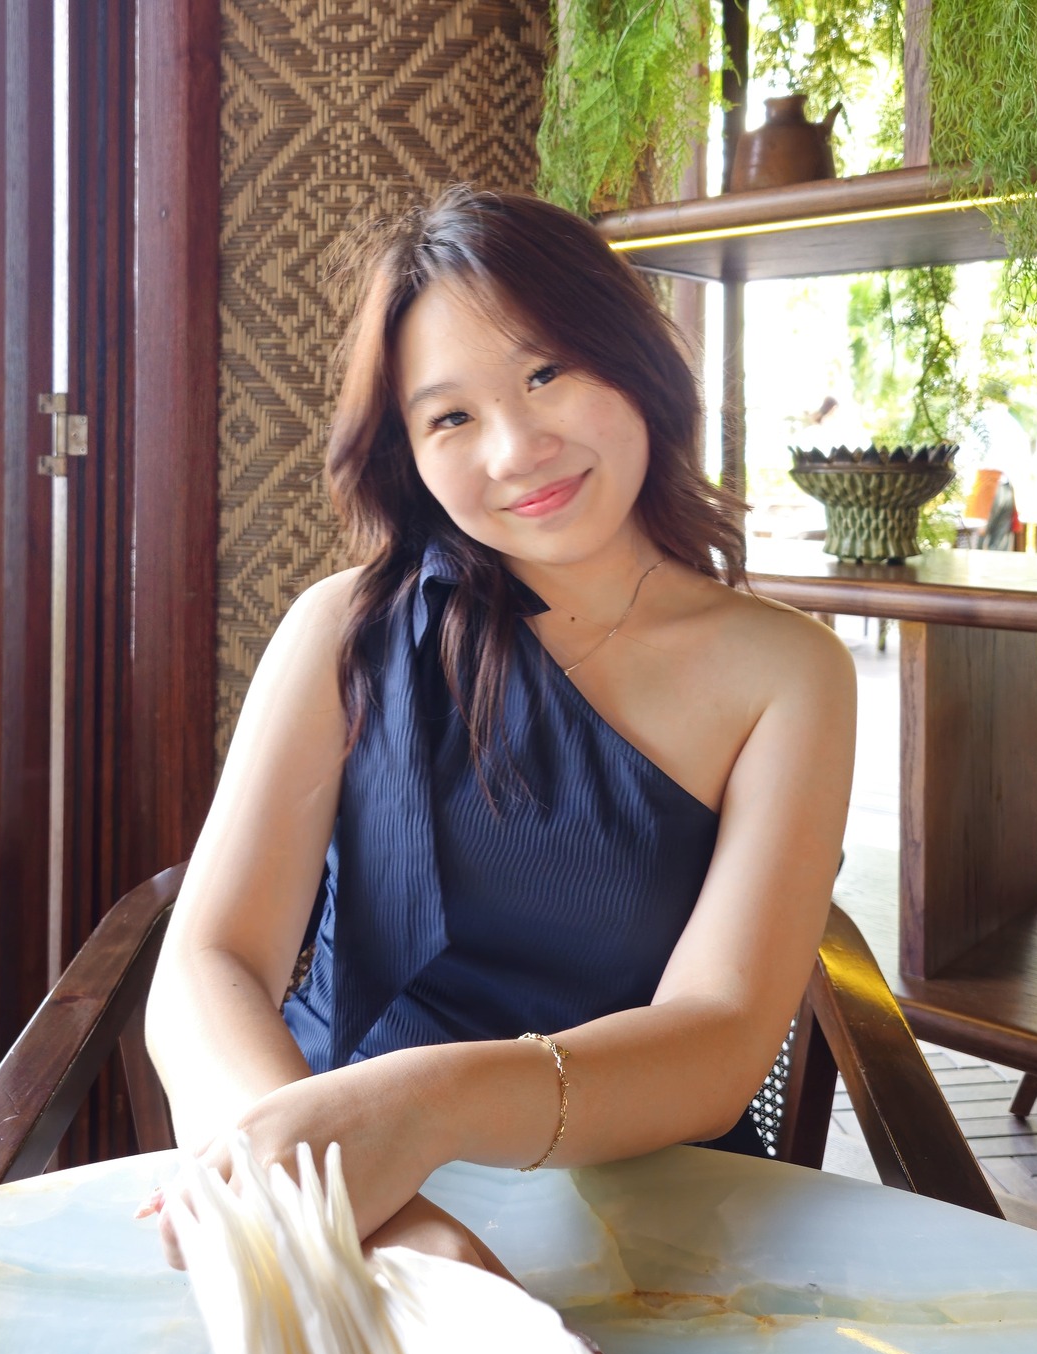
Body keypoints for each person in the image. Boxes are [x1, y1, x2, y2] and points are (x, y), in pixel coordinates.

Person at [143, 186, 857, 1278]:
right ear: (406, 451)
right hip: (329, 1185)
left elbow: (719, 1032)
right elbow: (209, 961)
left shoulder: (790, 670)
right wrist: (358, 1203)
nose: (518, 448)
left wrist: (421, 1110)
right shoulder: (343, 630)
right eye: (451, 417)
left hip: (650, 1206)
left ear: (633, 360)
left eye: (545, 372)